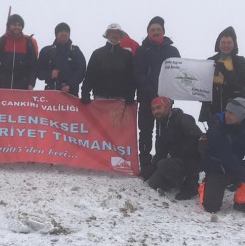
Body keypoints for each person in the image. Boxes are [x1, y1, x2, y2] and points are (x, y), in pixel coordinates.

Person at [200, 98, 245, 214]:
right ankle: (205, 185)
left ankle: (242, 201)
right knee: (211, 207)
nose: (227, 115)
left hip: (234, 168)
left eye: (232, 113)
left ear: (241, 116)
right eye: (227, 111)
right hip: (218, 170)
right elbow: (228, 159)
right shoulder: (216, 129)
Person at [134, 16, 180, 175]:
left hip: (166, 99)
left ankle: (160, 162)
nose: (155, 32)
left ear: (163, 32)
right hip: (147, 98)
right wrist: (153, 94)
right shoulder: (141, 50)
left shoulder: (172, 51)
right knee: (145, 131)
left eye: (158, 29)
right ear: (148, 33)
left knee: (164, 132)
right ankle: (145, 164)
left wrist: (167, 94)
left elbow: (178, 73)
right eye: (152, 30)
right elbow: (138, 74)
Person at [144, 97, 202, 199]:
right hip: (176, 160)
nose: (156, 111)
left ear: (167, 107)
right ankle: (177, 182)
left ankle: (191, 185)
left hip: (191, 160)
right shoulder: (162, 124)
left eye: (159, 107)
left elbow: (197, 138)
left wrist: (183, 152)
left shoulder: (183, 118)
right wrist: (149, 171)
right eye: (153, 109)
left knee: (163, 164)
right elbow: (161, 152)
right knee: (153, 183)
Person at [199, 26, 245, 124]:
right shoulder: (210, 61)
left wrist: (225, 71)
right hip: (214, 108)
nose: (226, 45)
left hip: (237, 108)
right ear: (218, 44)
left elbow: (241, 84)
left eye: (229, 43)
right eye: (223, 43)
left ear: (234, 44)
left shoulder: (240, 61)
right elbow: (202, 84)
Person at [81, 23, 135, 104]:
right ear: (107, 35)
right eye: (112, 32)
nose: (114, 35)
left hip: (120, 99)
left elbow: (131, 77)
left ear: (120, 36)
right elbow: (89, 75)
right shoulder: (97, 54)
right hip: (100, 98)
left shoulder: (127, 55)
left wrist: (131, 95)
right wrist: (85, 93)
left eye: (117, 33)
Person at [0, 14, 38, 90]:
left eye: (19, 25)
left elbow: (32, 66)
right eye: (14, 24)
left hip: (23, 88)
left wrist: (31, 83)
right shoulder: (0, 41)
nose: (17, 27)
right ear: (9, 26)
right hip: (1, 86)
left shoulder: (28, 43)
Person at [37, 22, 86, 95]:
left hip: (71, 94)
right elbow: (39, 73)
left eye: (66, 31)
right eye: (61, 31)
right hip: (50, 93)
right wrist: (50, 74)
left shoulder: (76, 51)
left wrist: (69, 85)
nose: (64, 33)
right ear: (56, 34)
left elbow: (81, 71)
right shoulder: (46, 51)